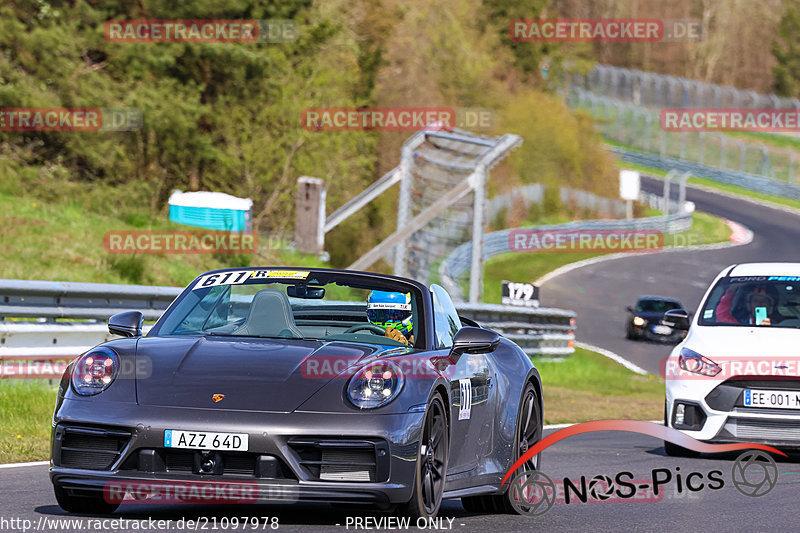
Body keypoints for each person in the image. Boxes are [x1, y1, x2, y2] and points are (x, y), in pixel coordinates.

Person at [715, 283, 780, 325]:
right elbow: (722, 316)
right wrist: (730, 292)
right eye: (755, 301)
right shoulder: (740, 324)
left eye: (764, 301)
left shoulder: (780, 326)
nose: (759, 304)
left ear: (770, 306)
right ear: (749, 305)